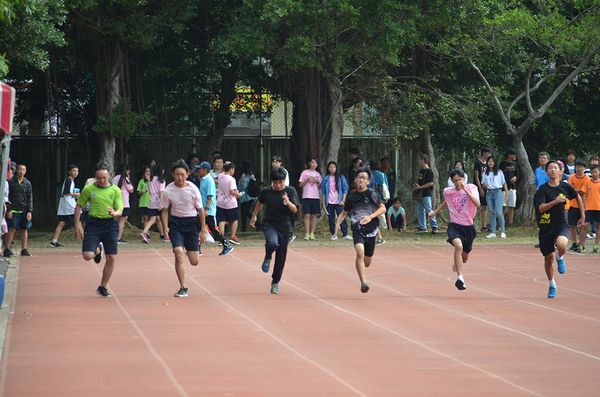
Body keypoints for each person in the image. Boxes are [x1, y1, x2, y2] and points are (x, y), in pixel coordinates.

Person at [534, 160, 584, 298]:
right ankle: (552, 284)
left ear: (561, 171)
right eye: (550, 168)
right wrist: (554, 202)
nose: (553, 170)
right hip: (545, 226)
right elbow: (541, 208)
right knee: (548, 258)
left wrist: (582, 215)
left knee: (562, 245)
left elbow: (577, 197)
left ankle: (560, 256)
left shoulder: (565, 187)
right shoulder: (543, 189)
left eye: (556, 168)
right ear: (546, 172)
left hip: (561, 223)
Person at [74, 162, 124, 298]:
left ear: (109, 175)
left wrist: (115, 213)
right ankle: (98, 249)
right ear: (95, 177)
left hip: (110, 225)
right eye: (98, 178)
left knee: (111, 258)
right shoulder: (89, 189)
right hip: (94, 224)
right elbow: (78, 206)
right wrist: (77, 225)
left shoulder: (115, 190)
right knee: (87, 256)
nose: (102, 180)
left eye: (104, 177)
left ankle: (102, 286)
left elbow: (120, 209)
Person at [160, 160, 208, 298]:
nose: (180, 177)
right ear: (172, 175)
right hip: (176, 223)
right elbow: (164, 210)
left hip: (191, 223)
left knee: (194, 261)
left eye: (182, 174)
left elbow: (200, 210)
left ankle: (192, 246)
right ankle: (183, 287)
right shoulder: (169, 190)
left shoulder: (193, 189)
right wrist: (165, 227)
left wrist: (203, 230)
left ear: (187, 174)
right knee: (178, 252)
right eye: (177, 175)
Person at [334, 167, 386, 293]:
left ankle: (364, 269)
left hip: (371, 230)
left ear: (368, 181)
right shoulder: (352, 198)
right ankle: (363, 282)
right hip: (357, 228)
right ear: (355, 180)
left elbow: (383, 209)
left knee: (367, 262)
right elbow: (343, 213)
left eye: (364, 178)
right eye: (359, 178)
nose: (361, 180)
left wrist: (370, 217)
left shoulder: (373, 194)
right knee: (360, 253)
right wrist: (337, 225)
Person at [250, 166, 300, 294]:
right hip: (270, 224)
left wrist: (288, 202)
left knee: (281, 258)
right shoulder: (266, 192)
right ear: (272, 181)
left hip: (285, 227)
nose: (278, 185)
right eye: (275, 182)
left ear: (284, 181)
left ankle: (275, 282)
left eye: (280, 182)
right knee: (272, 243)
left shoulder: (291, 191)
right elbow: (260, 202)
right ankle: (267, 256)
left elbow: (295, 210)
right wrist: (254, 215)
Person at [429, 168, 480, 290]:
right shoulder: (447, 191)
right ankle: (460, 278)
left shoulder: (472, 188)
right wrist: (435, 212)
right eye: (455, 181)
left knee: (465, 258)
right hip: (455, 226)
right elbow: (447, 202)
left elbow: (477, 204)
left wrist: (465, 190)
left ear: (464, 179)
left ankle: (457, 263)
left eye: (460, 180)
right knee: (458, 246)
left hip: (468, 227)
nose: (458, 183)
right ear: (451, 180)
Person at [197, 161, 233, 256]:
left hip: (209, 210)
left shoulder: (209, 180)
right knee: (198, 228)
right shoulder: (203, 180)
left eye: (200, 169)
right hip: (202, 209)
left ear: (205, 170)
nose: (198, 171)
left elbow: (210, 196)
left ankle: (226, 245)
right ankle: (197, 248)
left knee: (213, 228)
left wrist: (206, 209)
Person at [4, 164, 33, 257]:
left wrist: (30, 211)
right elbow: (7, 197)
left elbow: (30, 197)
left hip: (24, 209)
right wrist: (9, 209)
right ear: (16, 170)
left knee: (24, 229)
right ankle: (7, 248)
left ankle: (24, 248)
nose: (21, 171)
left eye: (23, 170)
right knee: (12, 229)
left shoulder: (27, 183)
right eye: (20, 169)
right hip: (14, 209)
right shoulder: (10, 182)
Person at [51, 164, 80, 247]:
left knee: (62, 222)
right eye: (74, 171)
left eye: (77, 171)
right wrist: (76, 194)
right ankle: (86, 242)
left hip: (65, 204)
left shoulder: (71, 181)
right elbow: (66, 193)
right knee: (79, 220)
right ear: (69, 172)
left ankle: (54, 240)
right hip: (68, 203)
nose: (75, 173)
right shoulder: (69, 181)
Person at [321, 160, 350, 240]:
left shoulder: (341, 178)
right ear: (328, 168)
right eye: (330, 167)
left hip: (339, 201)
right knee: (331, 218)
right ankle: (334, 234)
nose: (332, 169)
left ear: (336, 168)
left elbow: (345, 189)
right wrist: (324, 204)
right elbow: (323, 192)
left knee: (342, 217)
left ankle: (345, 234)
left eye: (333, 167)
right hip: (329, 202)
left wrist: (343, 200)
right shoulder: (326, 179)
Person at [482, 155, 508, 239]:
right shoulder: (485, 173)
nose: (490, 163)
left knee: (499, 212)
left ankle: (502, 231)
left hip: (498, 192)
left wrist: (506, 194)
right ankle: (493, 232)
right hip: (489, 192)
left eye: (492, 161)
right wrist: (484, 185)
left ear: (494, 163)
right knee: (491, 212)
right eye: (489, 161)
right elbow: (483, 184)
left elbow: (504, 183)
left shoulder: (499, 172)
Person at [139, 164, 166, 243]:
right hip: (159, 203)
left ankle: (144, 232)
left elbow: (150, 191)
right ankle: (166, 235)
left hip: (151, 202)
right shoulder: (161, 181)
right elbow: (161, 192)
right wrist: (162, 203)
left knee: (152, 219)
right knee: (163, 218)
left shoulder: (150, 180)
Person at [567, 159, 590, 252]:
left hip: (583, 205)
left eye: (581, 167)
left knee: (582, 225)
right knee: (571, 224)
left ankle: (581, 243)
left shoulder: (586, 179)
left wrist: (575, 190)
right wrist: (579, 190)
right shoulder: (572, 177)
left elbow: (585, 191)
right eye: (577, 167)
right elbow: (569, 189)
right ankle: (574, 242)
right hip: (573, 204)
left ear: (584, 168)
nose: (579, 168)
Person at [413, 154, 438, 233]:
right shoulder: (421, 171)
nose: (418, 161)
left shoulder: (429, 171)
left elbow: (430, 183)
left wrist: (420, 187)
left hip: (426, 193)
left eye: (420, 160)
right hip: (420, 193)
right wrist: (417, 188)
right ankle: (423, 227)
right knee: (420, 210)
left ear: (423, 161)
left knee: (428, 209)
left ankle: (434, 226)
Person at [216, 162, 241, 245]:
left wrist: (226, 165)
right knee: (234, 219)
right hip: (230, 203)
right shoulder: (231, 179)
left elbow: (223, 172)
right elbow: (232, 191)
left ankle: (221, 238)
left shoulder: (220, 177)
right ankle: (233, 236)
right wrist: (238, 194)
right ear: (231, 170)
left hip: (220, 202)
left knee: (222, 220)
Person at [299, 156, 322, 240]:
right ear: (309, 163)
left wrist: (317, 181)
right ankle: (306, 233)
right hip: (306, 196)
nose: (314, 164)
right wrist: (307, 180)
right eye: (312, 162)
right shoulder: (304, 173)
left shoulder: (318, 174)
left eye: (315, 163)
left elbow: (320, 187)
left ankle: (312, 233)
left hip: (315, 196)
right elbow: (300, 185)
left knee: (314, 215)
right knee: (307, 214)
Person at [580, 164, 600, 253]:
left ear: (599, 172)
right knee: (585, 225)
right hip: (589, 208)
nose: (594, 174)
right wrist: (583, 207)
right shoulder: (587, 183)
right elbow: (584, 195)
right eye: (592, 172)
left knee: (598, 226)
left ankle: (596, 245)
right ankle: (582, 245)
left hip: (598, 208)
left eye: (596, 171)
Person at [113, 164, 134, 244]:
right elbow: (131, 190)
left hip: (116, 202)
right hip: (124, 202)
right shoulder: (125, 179)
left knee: (122, 220)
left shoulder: (114, 178)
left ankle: (117, 236)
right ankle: (118, 238)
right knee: (122, 220)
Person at [370, 159, 389, 245]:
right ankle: (383, 226)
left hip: (371, 194)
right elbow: (385, 186)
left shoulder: (369, 174)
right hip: (380, 194)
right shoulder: (382, 174)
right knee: (381, 210)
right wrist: (386, 196)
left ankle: (377, 230)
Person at [499, 149, 519, 226]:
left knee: (511, 206)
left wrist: (515, 178)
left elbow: (517, 174)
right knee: (503, 206)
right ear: (509, 155)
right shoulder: (502, 164)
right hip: (503, 188)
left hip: (512, 188)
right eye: (513, 155)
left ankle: (510, 224)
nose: (515, 156)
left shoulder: (515, 164)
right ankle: (501, 224)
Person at [474, 146, 491, 232]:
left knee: (484, 206)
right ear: (484, 153)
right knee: (475, 206)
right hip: (478, 187)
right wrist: (480, 189)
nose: (489, 154)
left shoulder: (488, 164)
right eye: (488, 153)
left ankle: (483, 226)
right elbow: (476, 177)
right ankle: (471, 224)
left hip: (486, 187)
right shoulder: (478, 163)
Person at [238, 160, 258, 232]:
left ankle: (244, 227)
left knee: (244, 213)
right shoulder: (251, 175)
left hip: (245, 196)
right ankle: (257, 225)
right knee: (246, 212)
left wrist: (236, 188)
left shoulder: (244, 175)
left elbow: (243, 187)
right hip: (252, 196)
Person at [137, 165, 151, 230]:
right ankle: (146, 234)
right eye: (146, 171)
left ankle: (162, 234)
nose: (147, 173)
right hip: (143, 202)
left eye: (149, 171)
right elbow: (138, 192)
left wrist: (149, 180)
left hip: (151, 202)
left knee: (156, 218)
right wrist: (140, 192)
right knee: (145, 218)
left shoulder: (153, 181)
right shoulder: (141, 181)